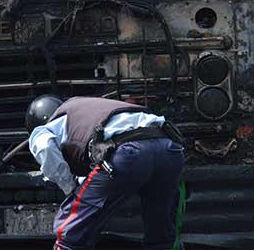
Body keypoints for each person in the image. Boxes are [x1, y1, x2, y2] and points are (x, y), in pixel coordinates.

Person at [27, 95, 185, 250]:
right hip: (169, 149)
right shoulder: (91, 110)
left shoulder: (46, 128)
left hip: (129, 152)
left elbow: (45, 147)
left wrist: (69, 187)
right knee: (162, 233)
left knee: (72, 231)